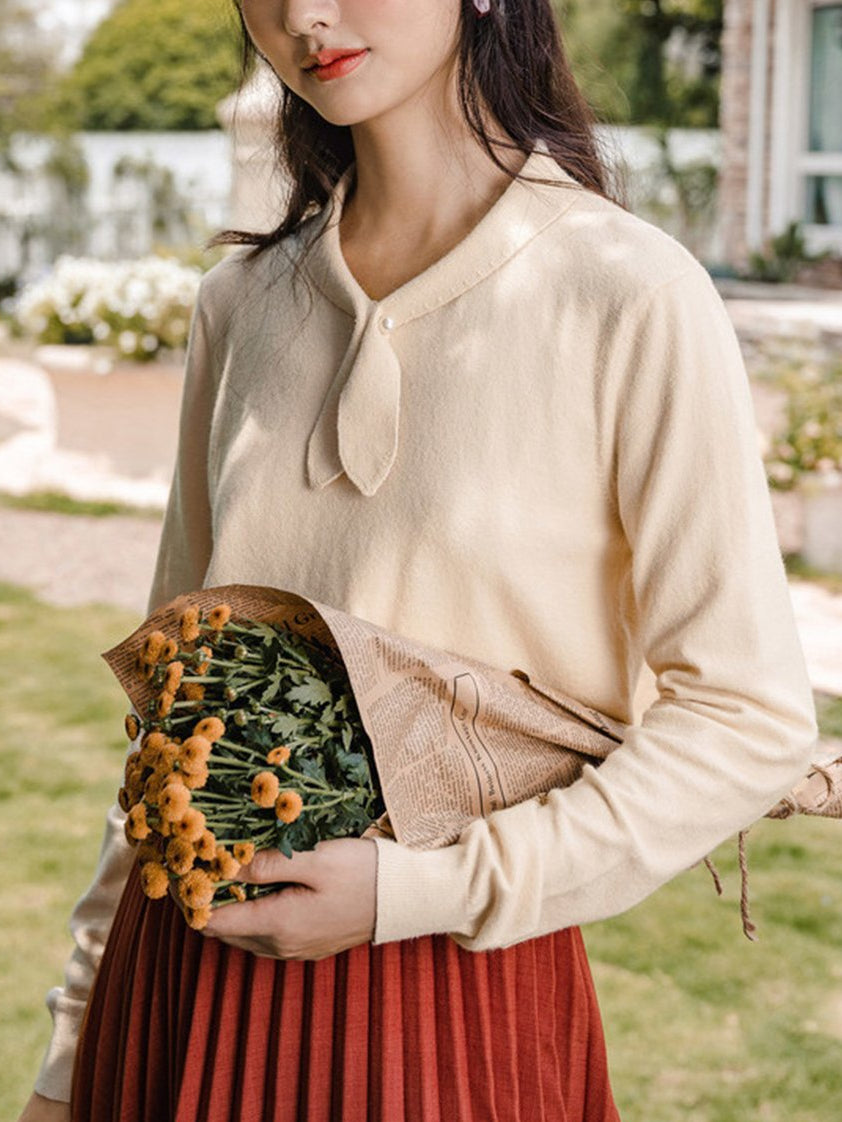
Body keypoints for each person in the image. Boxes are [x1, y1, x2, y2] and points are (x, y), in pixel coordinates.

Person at [18, 1, 818, 1119]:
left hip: (448, 1001)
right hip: (179, 988)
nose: (306, 15)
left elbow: (746, 718)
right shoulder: (241, 306)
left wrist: (420, 889)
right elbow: (173, 717)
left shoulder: (625, 293)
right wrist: (73, 1049)